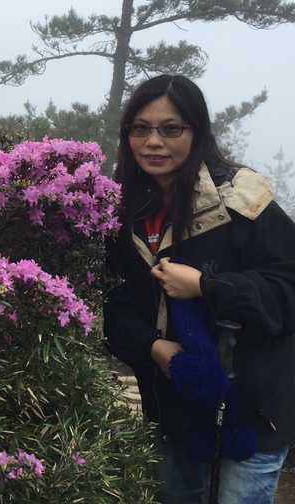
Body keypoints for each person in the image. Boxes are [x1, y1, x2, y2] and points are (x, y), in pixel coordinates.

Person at [103, 74, 295, 504]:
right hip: (173, 407)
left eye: (171, 128)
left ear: (197, 131)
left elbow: (287, 288)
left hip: (252, 409)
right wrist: (154, 348)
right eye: (140, 128)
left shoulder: (240, 199)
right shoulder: (121, 210)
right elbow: (113, 304)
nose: (153, 141)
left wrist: (208, 287)